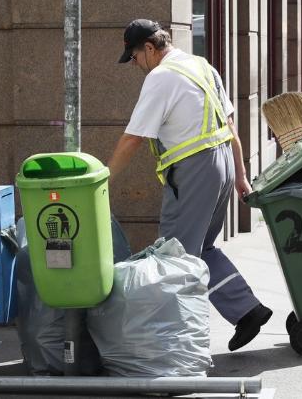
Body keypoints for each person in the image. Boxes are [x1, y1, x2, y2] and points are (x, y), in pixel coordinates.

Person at [108, 19, 272, 351]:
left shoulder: (161, 77)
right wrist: (239, 176)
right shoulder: (201, 66)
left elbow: (133, 139)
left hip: (195, 172)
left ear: (150, 49)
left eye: (136, 58)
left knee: (173, 256)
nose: (136, 66)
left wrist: (103, 179)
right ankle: (247, 311)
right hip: (222, 163)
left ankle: (174, 344)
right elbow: (229, 126)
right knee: (201, 249)